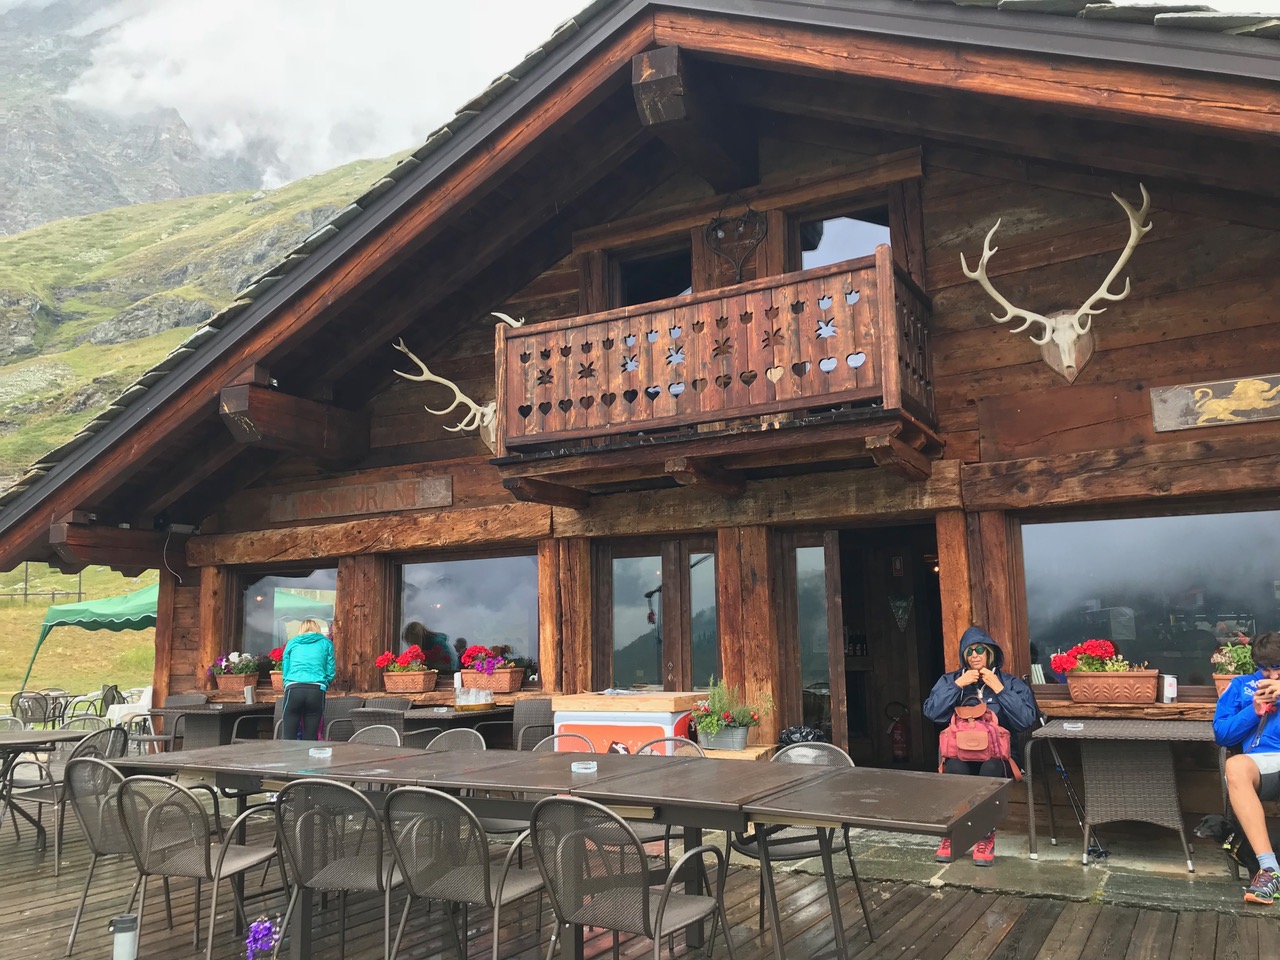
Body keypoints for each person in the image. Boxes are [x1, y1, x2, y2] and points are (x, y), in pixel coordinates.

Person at [923, 625, 1038, 865]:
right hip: (961, 754)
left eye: (980, 650)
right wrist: (957, 685)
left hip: (1000, 758)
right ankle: (954, 832)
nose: (974, 655)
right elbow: (933, 713)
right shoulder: (950, 680)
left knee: (991, 769)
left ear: (990, 653)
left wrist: (999, 689)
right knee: (954, 768)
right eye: (969, 651)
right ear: (963, 656)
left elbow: (1026, 720)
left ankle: (985, 835)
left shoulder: (1010, 683)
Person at [1214, 630, 1280, 905]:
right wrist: (1253, 710)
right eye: (1265, 669)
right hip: (1263, 763)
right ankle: (1269, 870)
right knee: (1236, 766)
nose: (1272, 676)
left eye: (1278, 669)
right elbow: (1222, 734)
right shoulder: (1240, 685)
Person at [280, 618, 335, 741]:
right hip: (316, 689)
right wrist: (325, 683)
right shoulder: (326, 643)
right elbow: (330, 669)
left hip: (293, 688)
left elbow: (286, 666)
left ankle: (288, 759)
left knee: (288, 736)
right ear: (317, 629)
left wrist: (286, 682)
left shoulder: (292, 643)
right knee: (311, 737)